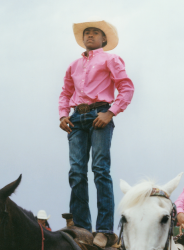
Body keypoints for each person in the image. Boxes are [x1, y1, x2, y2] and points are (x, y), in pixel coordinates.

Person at [58, 19, 134, 248]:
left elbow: (126, 87)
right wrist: (63, 115)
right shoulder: (73, 65)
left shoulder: (111, 59)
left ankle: (104, 229)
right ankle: (82, 228)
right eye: (87, 33)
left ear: (104, 39)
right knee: (76, 173)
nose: (89, 35)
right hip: (77, 119)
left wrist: (110, 113)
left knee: (100, 170)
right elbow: (65, 92)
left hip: (100, 114)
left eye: (95, 33)